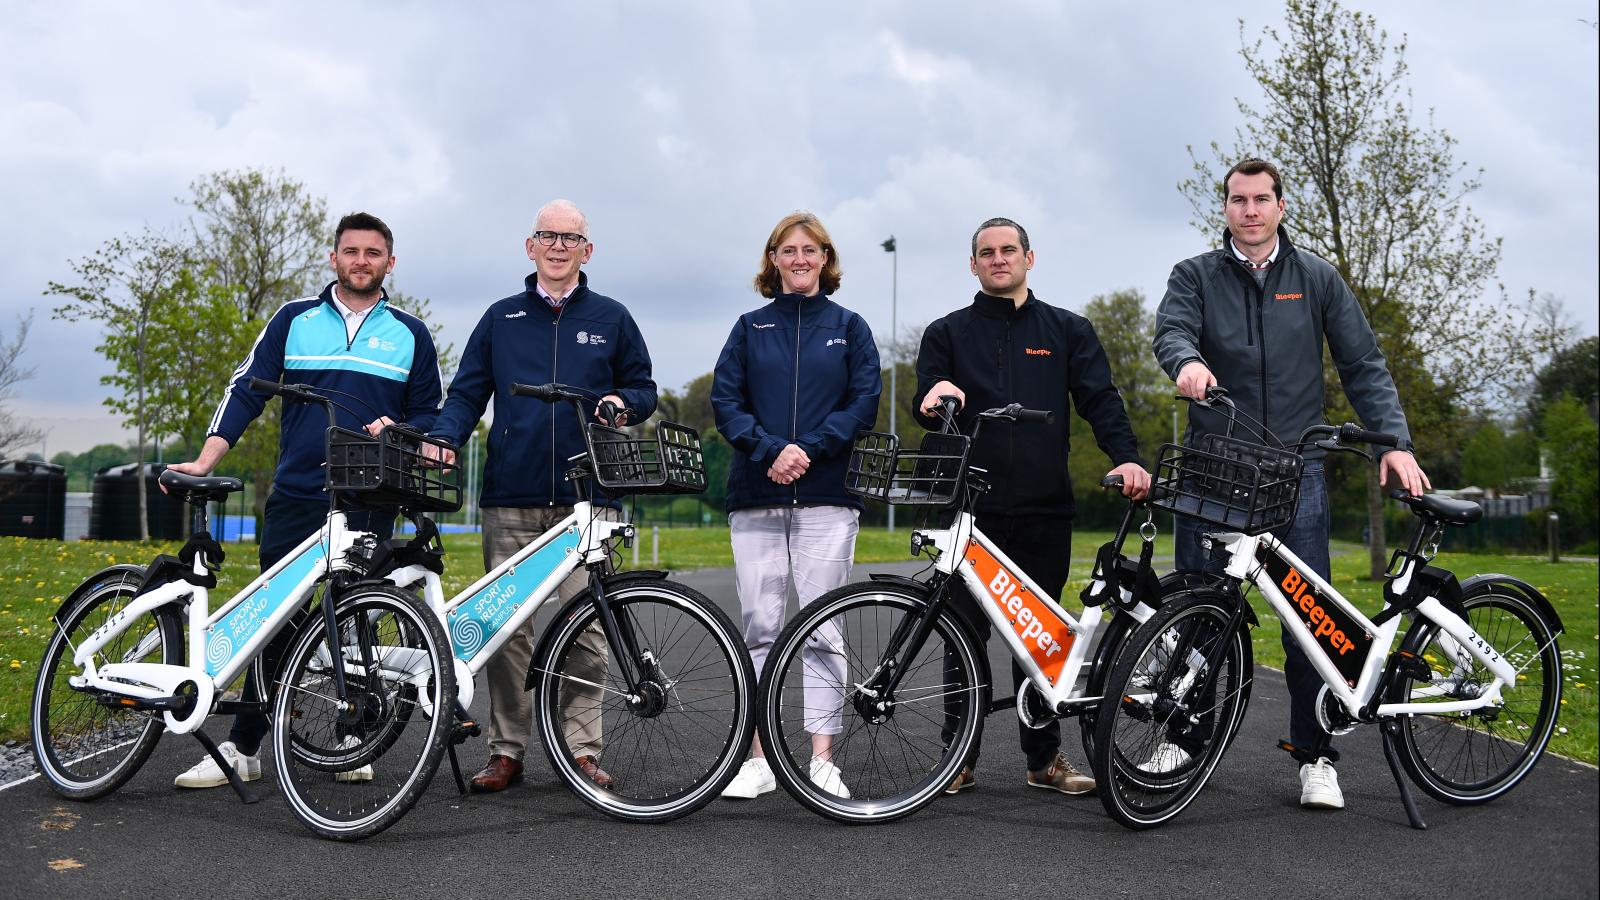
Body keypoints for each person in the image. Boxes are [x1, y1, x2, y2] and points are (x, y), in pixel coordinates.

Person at [1153, 157, 1430, 810]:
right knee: (1196, 611)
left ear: (1281, 206)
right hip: (1214, 470)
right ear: (1224, 208)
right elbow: (1171, 331)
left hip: (1294, 472)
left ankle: (1316, 755)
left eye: (1261, 199)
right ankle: (1183, 735)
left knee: (1310, 622)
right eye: (1237, 199)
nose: (1249, 210)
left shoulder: (1316, 279)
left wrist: (1395, 442)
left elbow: (1363, 363)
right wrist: (1187, 363)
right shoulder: (1193, 275)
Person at [166, 212, 444, 788]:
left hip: (369, 495)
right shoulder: (292, 320)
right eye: (351, 251)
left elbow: (430, 415)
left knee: (360, 615)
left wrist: (400, 429)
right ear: (333, 258)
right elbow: (244, 391)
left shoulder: (411, 333)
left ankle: (351, 737)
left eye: (372, 253)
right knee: (276, 621)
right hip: (297, 493)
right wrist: (205, 461)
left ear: (390, 263)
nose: (360, 261)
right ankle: (245, 747)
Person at [915, 217, 1150, 797]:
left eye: (1009, 250)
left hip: (1045, 509)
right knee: (960, 638)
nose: (999, 259)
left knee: (1040, 641)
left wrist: (1127, 457)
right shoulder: (946, 333)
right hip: (969, 512)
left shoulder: (1068, 330)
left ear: (1029, 257)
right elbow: (927, 396)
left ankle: (1044, 761)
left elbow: (1100, 399)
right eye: (987, 253)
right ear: (973, 265)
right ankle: (957, 759)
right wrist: (933, 399)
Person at [428, 199, 657, 793]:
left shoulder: (612, 317)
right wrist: (446, 438)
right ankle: (507, 749)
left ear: (588, 250)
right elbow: (466, 394)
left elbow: (644, 387)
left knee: (588, 629)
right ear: (529, 247)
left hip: (589, 498)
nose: (558, 246)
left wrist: (624, 404)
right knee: (507, 632)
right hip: (511, 496)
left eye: (570, 237)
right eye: (547, 236)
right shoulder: (500, 318)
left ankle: (580, 749)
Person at [712, 211, 882, 800]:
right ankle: (757, 758)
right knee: (761, 625)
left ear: (825, 258)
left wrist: (805, 450)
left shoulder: (851, 327)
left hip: (826, 495)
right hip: (756, 494)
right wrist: (769, 451)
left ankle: (822, 760)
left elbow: (864, 403)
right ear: (774, 259)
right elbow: (726, 402)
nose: (800, 259)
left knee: (822, 627)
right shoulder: (748, 327)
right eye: (789, 250)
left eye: (810, 250)